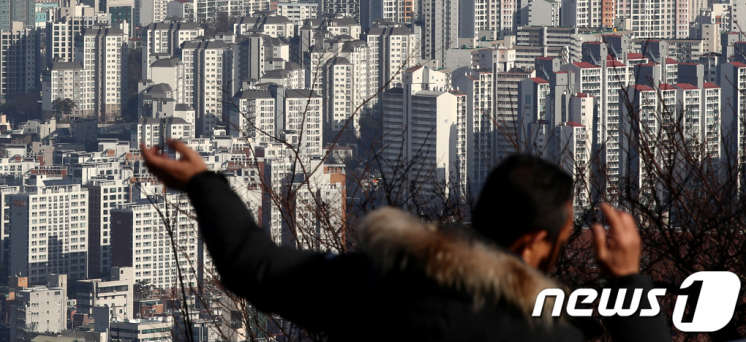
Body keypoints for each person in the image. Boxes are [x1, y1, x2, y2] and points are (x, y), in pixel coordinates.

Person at [141, 140, 671, 342]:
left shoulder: (378, 283)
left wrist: (204, 184)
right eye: (564, 235)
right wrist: (628, 281)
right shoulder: (544, 334)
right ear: (534, 243)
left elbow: (250, 266)